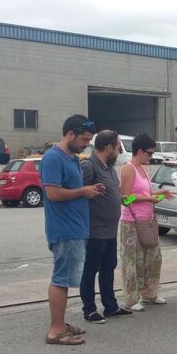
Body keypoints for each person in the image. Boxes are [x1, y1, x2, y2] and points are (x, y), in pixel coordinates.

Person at [42, 114, 104, 346]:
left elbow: (72, 189)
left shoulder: (72, 158)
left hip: (77, 228)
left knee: (66, 278)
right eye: (84, 139)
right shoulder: (53, 159)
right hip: (64, 229)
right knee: (61, 279)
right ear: (70, 134)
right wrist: (83, 192)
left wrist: (88, 189)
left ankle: (60, 323)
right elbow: (53, 194)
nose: (87, 143)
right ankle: (56, 330)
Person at [79, 130, 132, 324]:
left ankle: (111, 306)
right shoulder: (88, 166)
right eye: (118, 148)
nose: (119, 152)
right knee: (90, 269)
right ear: (109, 147)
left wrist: (145, 198)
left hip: (109, 231)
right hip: (94, 230)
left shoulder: (109, 168)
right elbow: (78, 194)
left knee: (108, 267)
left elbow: (117, 197)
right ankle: (89, 309)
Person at [119, 133, 174, 311]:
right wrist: (148, 199)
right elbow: (125, 199)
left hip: (148, 220)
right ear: (140, 151)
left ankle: (150, 293)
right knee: (131, 261)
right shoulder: (128, 168)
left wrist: (159, 194)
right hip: (131, 222)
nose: (151, 157)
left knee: (153, 258)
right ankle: (131, 298)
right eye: (149, 153)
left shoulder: (143, 168)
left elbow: (143, 194)